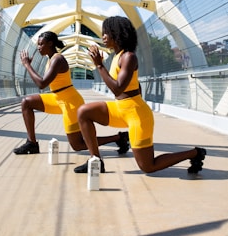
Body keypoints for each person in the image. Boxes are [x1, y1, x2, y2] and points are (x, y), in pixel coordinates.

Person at [74, 16, 206, 174]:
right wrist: (100, 64)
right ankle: (96, 160)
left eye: (106, 32)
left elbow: (117, 89)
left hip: (136, 115)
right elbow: (135, 87)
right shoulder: (117, 56)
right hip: (120, 108)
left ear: (117, 34)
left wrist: (99, 65)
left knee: (148, 166)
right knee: (83, 112)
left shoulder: (129, 57)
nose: (103, 36)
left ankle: (195, 153)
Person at [13, 31, 130, 155]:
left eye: (41, 44)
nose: (38, 47)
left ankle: (118, 138)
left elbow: (42, 84)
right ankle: (32, 143)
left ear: (50, 43)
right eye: (38, 44)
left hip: (70, 102)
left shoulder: (58, 59)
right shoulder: (51, 58)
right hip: (57, 97)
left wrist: (27, 65)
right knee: (27, 103)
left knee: (77, 145)